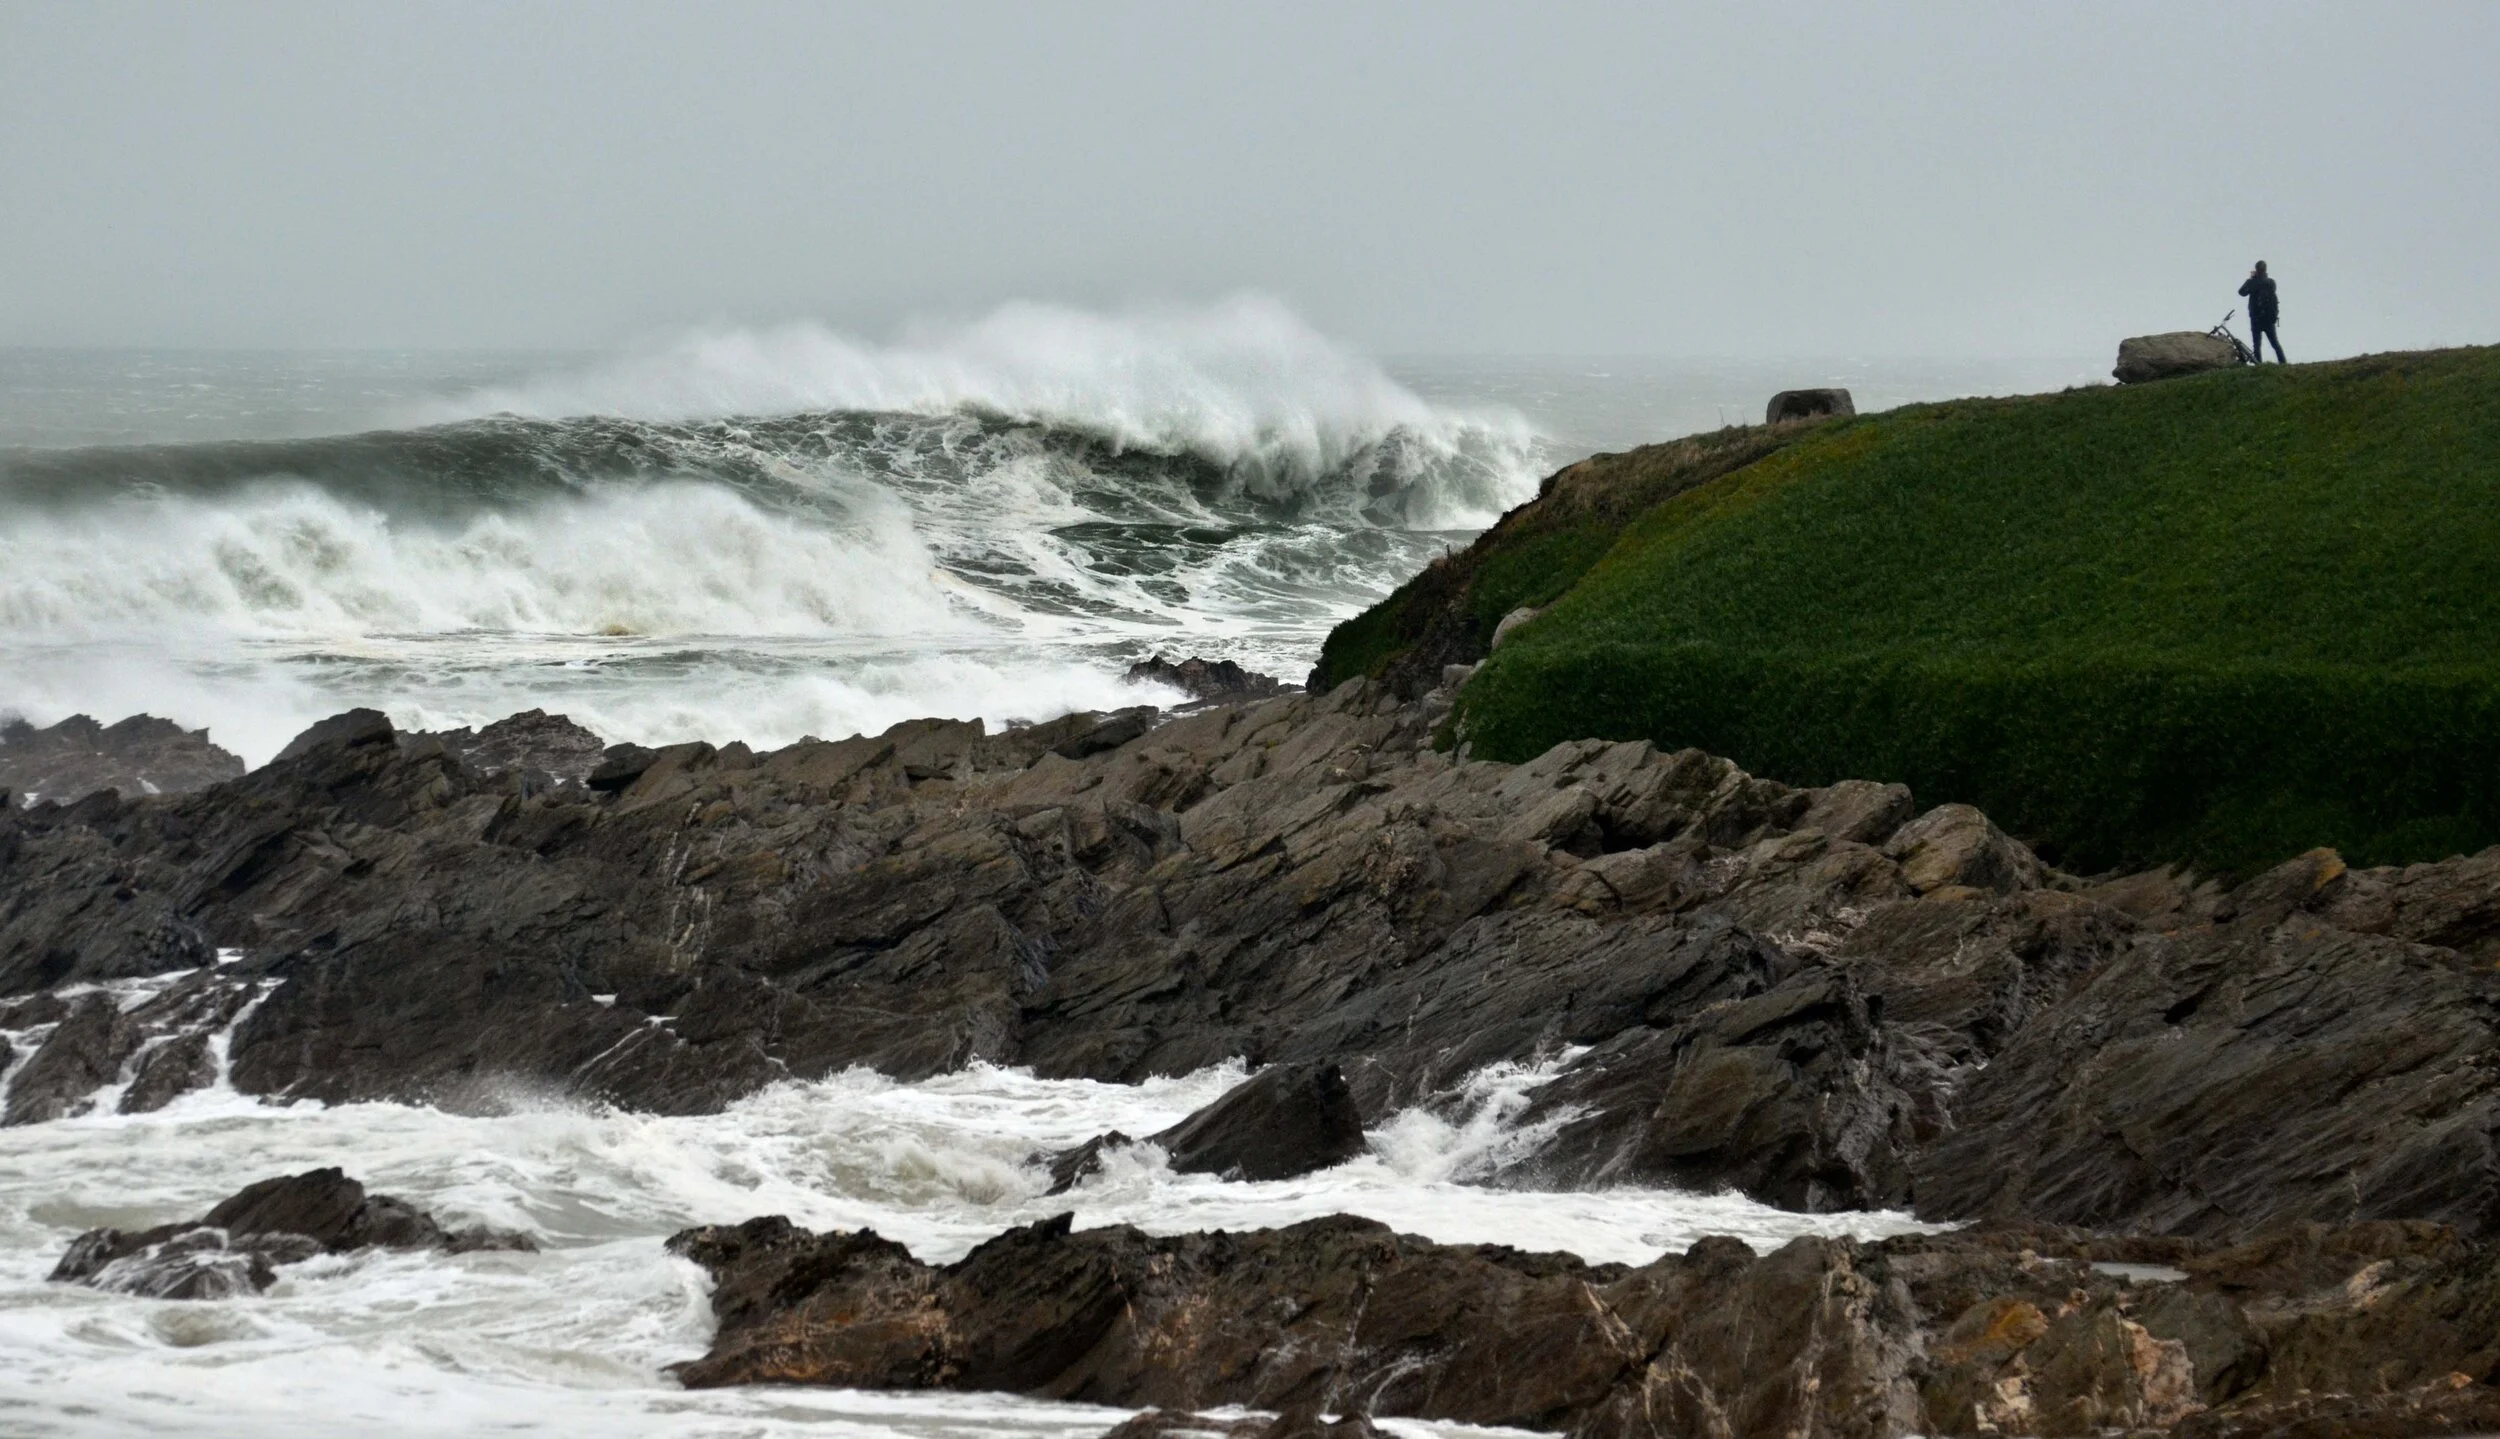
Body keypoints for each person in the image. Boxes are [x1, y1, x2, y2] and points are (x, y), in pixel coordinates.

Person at [2239, 262, 2284, 363]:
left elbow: (2241, 292)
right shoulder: (2271, 282)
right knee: (2274, 343)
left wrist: (2251, 279)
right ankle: (2283, 362)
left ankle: (2258, 364)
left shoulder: (2252, 282)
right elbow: (2272, 290)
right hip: (2269, 318)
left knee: (2257, 344)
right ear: (2266, 269)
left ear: (2256, 269)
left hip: (2256, 318)